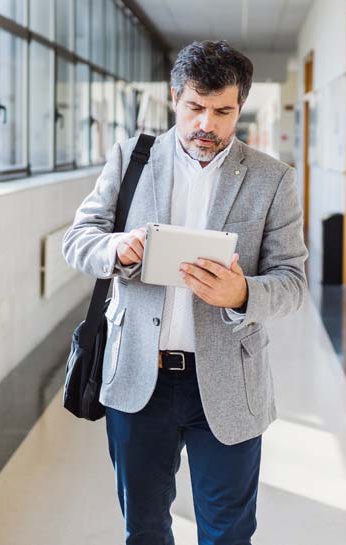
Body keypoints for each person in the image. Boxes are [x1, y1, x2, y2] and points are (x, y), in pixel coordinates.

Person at [62, 39, 308, 545]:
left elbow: (293, 282)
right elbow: (78, 240)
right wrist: (118, 247)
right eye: (196, 107)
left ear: (240, 106)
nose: (207, 124)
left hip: (227, 385)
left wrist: (242, 294)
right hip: (138, 378)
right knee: (145, 530)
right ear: (175, 97)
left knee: (227, 534)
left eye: (223, 112)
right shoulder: (133, 158)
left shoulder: (272, 178)